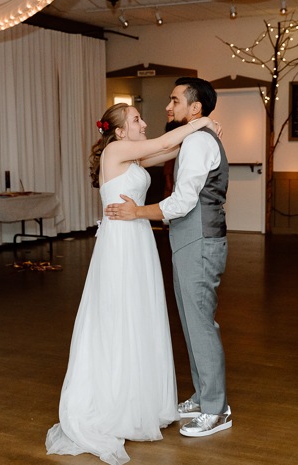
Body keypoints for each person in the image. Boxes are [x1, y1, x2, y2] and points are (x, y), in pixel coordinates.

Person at [45, 103, 217, 465]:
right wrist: (200, 121)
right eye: (137, 119)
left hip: (137, 239)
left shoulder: (132, 158)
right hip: (121, 244)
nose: (145, 122)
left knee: (140, 316)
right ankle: (118, 403)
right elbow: (165, 141)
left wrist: (201, 134)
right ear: (120, 131)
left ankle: (142, 401)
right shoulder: (116, 149)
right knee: (121, 317)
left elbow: (169, 149)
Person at [104, 77, 231, 438]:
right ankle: (204, 395)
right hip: (188, 241)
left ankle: (216, 409)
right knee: (192, 323)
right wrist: (199, 125)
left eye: (175, 100)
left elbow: (183, 201)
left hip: (200, 241)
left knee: (201, 324)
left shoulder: (199, 142)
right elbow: (158, 149)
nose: (167, 106)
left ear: (195, 108)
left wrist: (138, 212)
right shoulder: (191, 139)